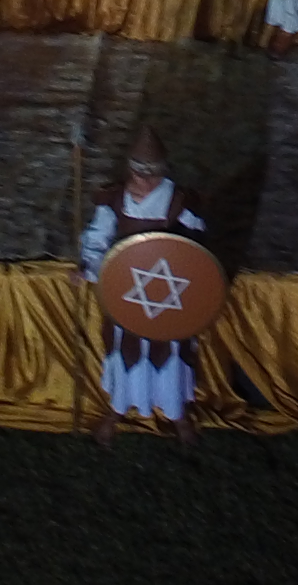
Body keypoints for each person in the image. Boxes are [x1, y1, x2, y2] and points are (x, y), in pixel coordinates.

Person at [79, 127, 215, 448]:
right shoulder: (114, 199)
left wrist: (189, 268)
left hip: (169, 297)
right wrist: (89, 266)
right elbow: (98, 238)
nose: (145, 180)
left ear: (162, 171)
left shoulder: (179, 201)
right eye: (140, 173)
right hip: (126, 294)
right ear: (131, 170)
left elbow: (197, 248)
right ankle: (116, 411)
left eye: (152, 174)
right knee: (126, 352)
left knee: (170, 354)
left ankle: (177, 414)